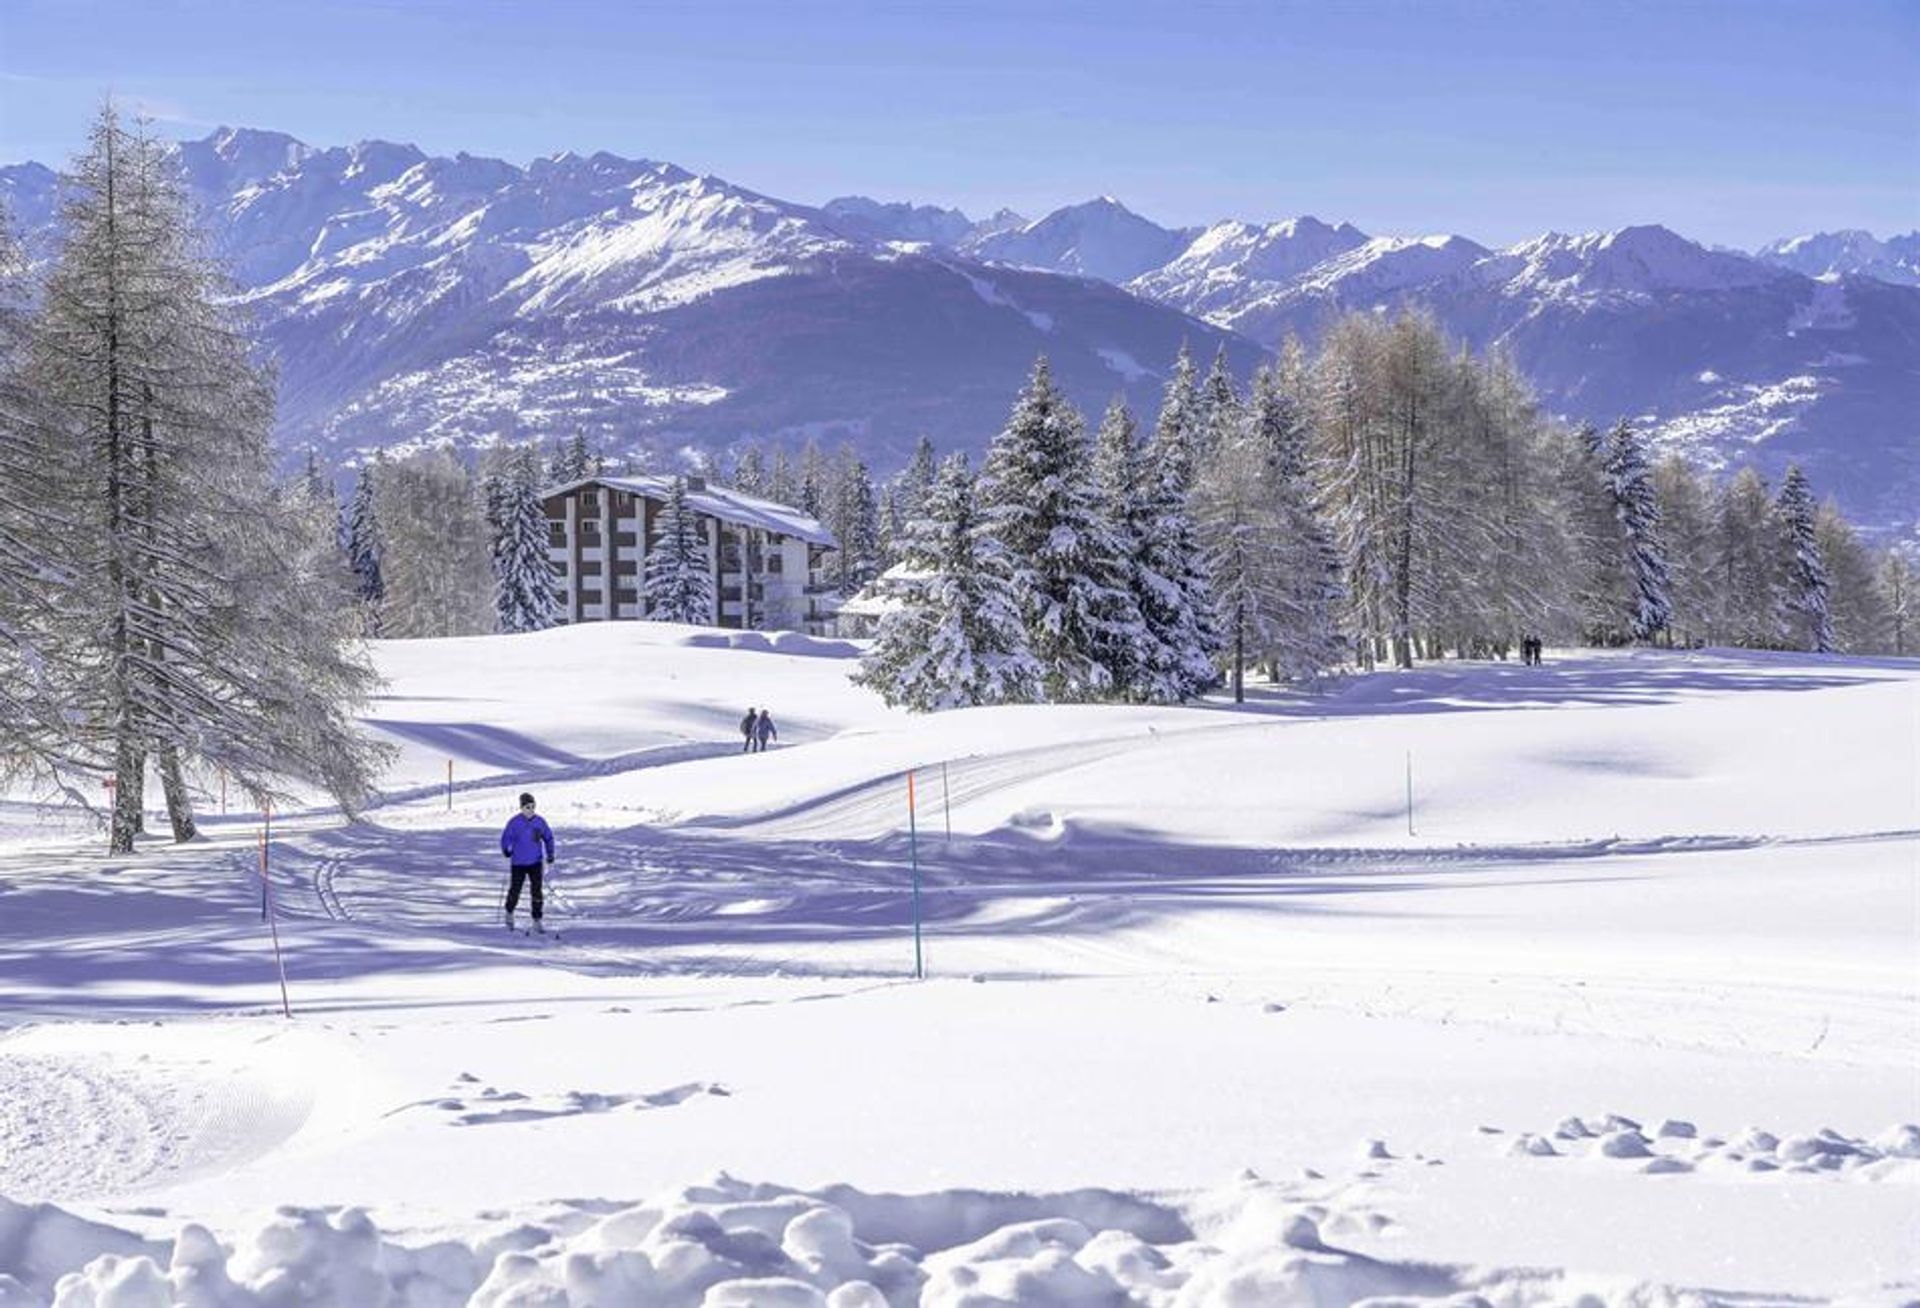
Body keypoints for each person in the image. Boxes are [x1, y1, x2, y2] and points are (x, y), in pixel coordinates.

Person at [499, 791, 555, 932]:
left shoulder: (539, 822)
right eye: (527, 807)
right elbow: (506, 838)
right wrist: (506, 849)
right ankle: (509, 913)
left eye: (532, 806)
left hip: (535, 862)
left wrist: (550, 853)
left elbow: (548, 837)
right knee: (515, 890)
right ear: (522, 808)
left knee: (536, 891)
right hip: (518, 863)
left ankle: (537, 919)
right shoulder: (514, 822)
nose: (530, 810)